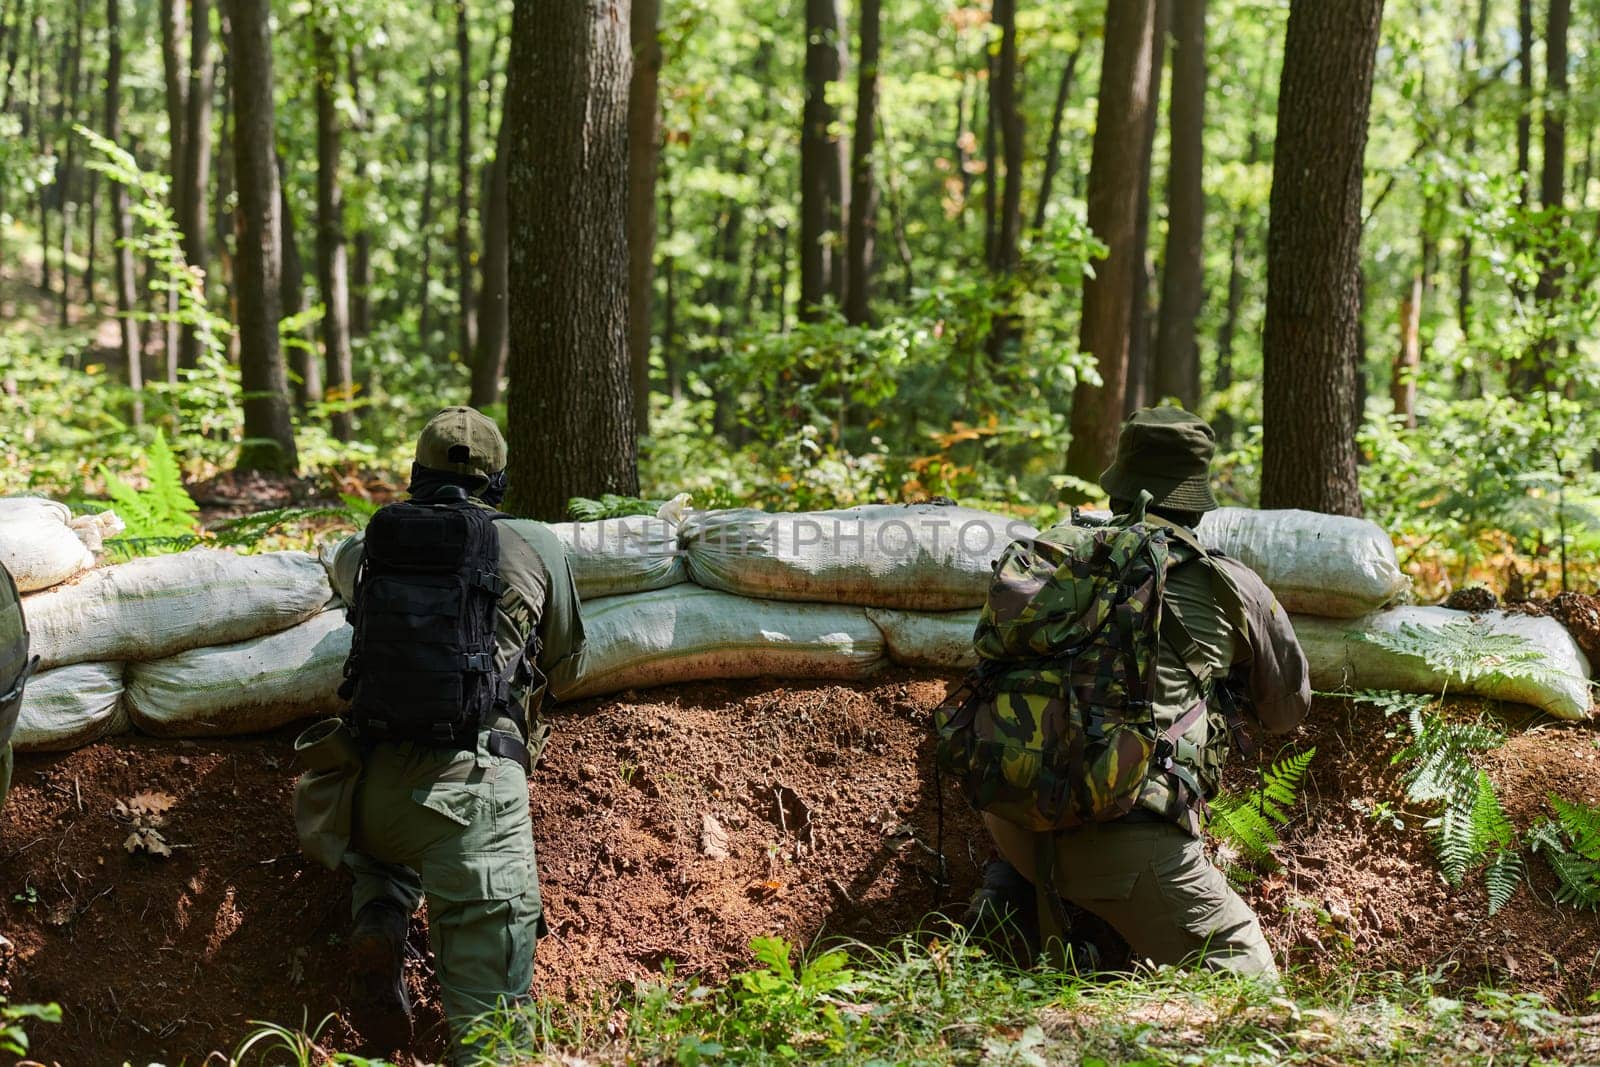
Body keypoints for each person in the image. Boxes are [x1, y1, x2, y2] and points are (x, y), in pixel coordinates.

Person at [964, 407, 1310, 977]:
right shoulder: (1228, 582)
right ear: (1198, 502)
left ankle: (1010, 910)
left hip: (1010, 813)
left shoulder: (1048, 554)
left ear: (1117, 486)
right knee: (1249, 978)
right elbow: (1286, 712)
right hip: (1128, 839)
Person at [301, 406, 584, 1061]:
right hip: (473, 805)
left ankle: (380, 908)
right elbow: (568, 664)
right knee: (490, 1039)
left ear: (414, 474)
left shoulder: (374, 543)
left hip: (366, 799)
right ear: (499, 481)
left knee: (389, 850)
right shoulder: (538, 542)